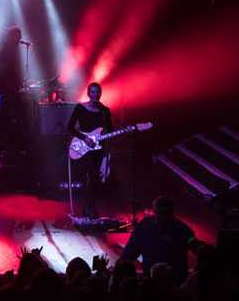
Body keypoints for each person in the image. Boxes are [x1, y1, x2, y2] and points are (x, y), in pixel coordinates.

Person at [120, 196, 198, 282]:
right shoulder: (144, 225)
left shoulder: (182, 229)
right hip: (152, 278)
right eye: (158, 212)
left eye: (164, 213)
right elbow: (131, 250)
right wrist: (121, 264)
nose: (161, 217)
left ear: (171, 212)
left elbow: (197, 249)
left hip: (173, 280)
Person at [67, 82, 113, 218]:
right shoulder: (80, 108)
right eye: (93, 92)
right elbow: (70, 127)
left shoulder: (105, 111)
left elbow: (110, 129)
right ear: (88, 93)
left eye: (98, 92)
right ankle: (89, 208)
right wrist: (85, 138)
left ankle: (89, 208)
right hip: (84, 146)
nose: (96, 95)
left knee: (95, 177)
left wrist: (109, 135)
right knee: (91, 175)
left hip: (99, 147)